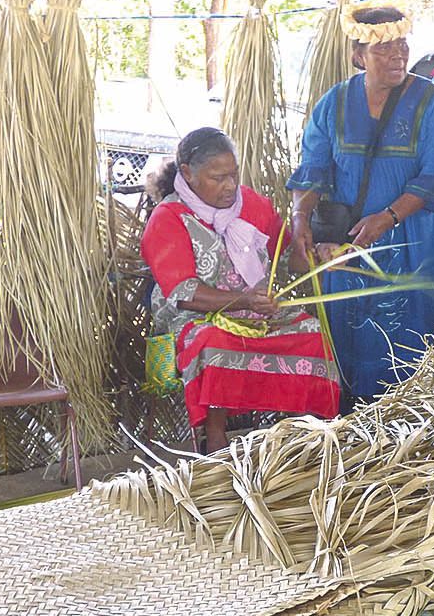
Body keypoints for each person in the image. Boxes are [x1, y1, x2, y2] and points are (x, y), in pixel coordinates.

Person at [289, 5, 434, 401]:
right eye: (383, 49)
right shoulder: (332, 105)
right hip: (346, 249)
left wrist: (387, 218)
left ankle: (410, 439)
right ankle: (347, 438)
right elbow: (312, 169)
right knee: (347, 345)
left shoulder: (432, 103)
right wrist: (300, 217)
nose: (397, 55)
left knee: (407, 345)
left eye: (401, 45)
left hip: (410, 247)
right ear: (358, 56)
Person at [142, 127, 340, 450]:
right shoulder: (169, 217)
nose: (230, 186)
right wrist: (242, 299)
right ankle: (215, 437)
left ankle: (301, 434)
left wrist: (318, 255)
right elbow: (185, 293)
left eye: (233, 175)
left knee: (312, 333)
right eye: (218, 178)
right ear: (188, 174)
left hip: (256, 312)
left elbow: (290, 257)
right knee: (212, 342)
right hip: (197, 319)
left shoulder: (252, 205)